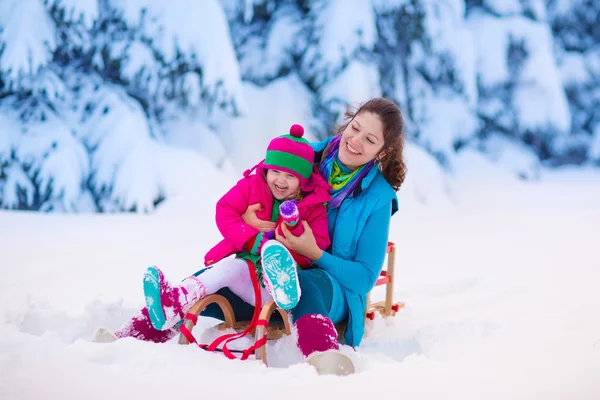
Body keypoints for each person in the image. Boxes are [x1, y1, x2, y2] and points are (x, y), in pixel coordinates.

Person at [214, 97, 407, 375]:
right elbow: (256, 184)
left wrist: (315, 254)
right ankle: (166, 314)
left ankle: (323, 353)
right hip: (273, 266)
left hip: (332, 287)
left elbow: (364, 278)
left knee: (304, 282)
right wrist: (247, 217)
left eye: (370, 139)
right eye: (355, 128)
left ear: (382, 152)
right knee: (221, 279)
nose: (355, 141)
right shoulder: (307, 156)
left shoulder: (378, 198)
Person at [93, 124, 332, 344]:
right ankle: (148, 321)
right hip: (249, 276)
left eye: (291, 176)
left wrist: (294, 235)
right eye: (276, 172)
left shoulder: (312, 206)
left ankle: (281, 279)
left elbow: (317, 245)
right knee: (223, 270)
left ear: (302, 181)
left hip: (285, 287)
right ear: (267, 169)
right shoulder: (252, 186)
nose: (281, 180)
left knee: (272, 258)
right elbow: (225, 210)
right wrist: (251, 238)